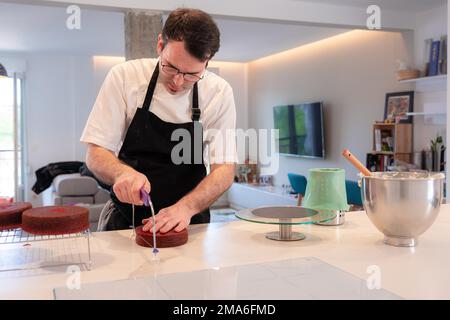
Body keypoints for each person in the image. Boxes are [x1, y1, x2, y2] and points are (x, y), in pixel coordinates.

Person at [80, 8, 237, 233]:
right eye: (170, 67)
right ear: (160, 44)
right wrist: (121, 173)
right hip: (126, 219)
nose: (178, 81)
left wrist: (186, 207)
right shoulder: (124, 77)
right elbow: (95, 152)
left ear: (207, 61)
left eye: (192, 75)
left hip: (189, 221)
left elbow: (224, 168)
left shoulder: (219, 92)